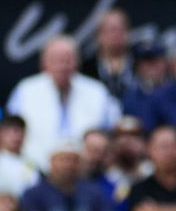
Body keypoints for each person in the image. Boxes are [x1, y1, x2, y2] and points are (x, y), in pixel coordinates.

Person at [6, 36, 120, 171]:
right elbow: (9, 134)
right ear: (44, 64)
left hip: (87, 174)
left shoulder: (97, 92)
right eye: (56, 60)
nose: (62, 66)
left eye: (67, 60)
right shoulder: (25, 90)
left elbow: (113, 132)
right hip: (34, 171)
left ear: (77, 63)